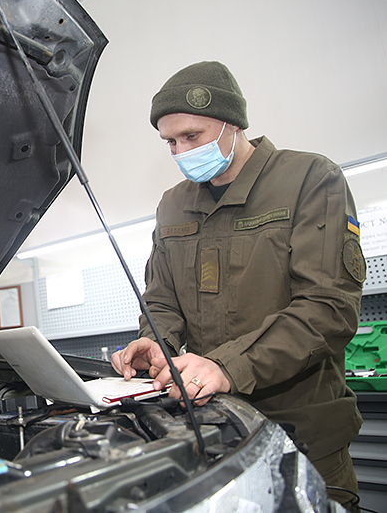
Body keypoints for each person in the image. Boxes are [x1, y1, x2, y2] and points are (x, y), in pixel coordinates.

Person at [110, 61, 365, 510]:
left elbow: (328, 307)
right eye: (171, 142)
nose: (181, 151)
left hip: (303, 436)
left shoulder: (309, 179)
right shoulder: (173, 204)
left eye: (192, 136)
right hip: (215, 432)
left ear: (233, 124)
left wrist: (227, 366)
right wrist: (157, 342)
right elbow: (162, 300)